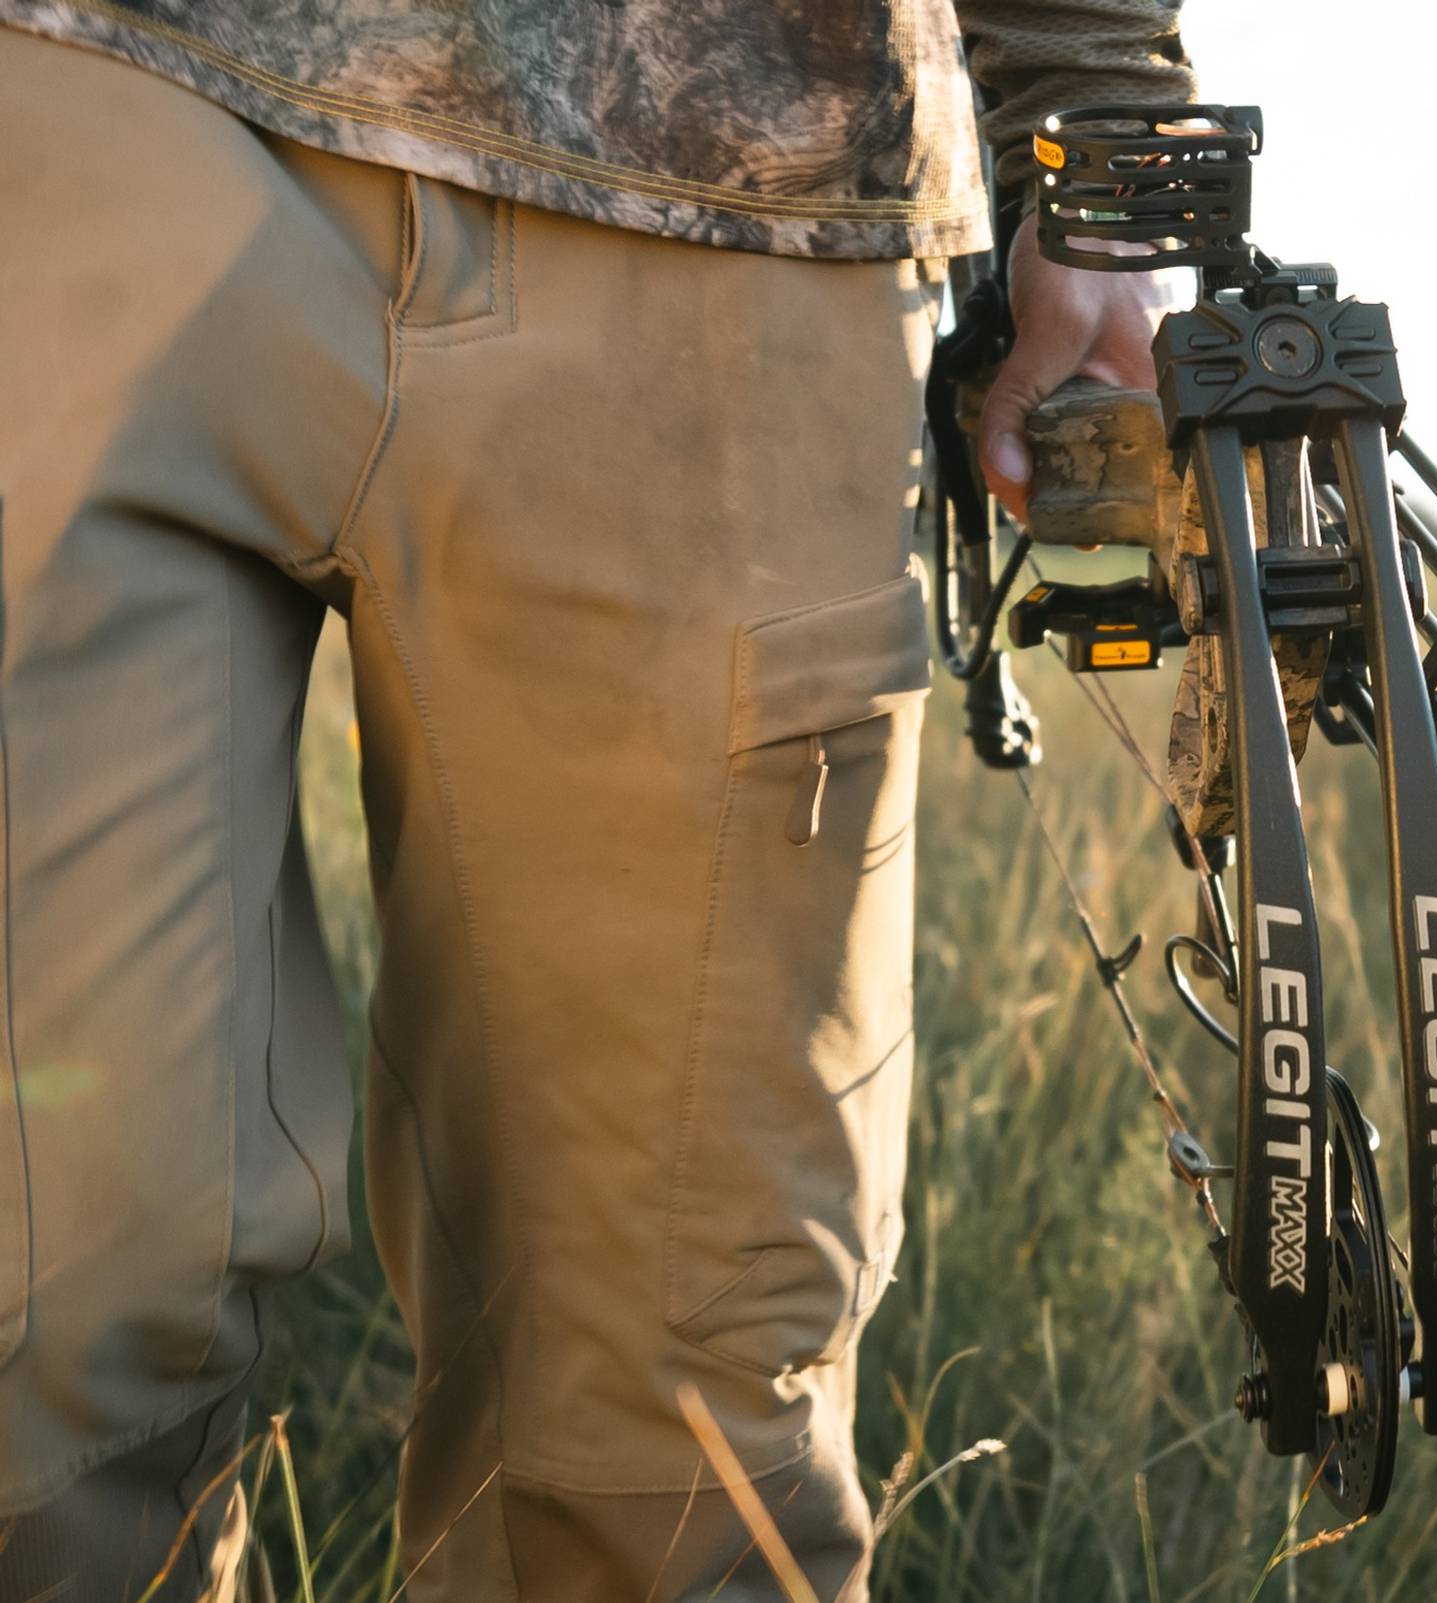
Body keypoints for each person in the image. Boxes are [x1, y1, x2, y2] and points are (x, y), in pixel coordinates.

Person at [0, 1, 1184, 1595]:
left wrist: (1097, 114)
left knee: (668, 1449)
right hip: (75, 98)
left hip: (737, 160)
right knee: (40, 1330)